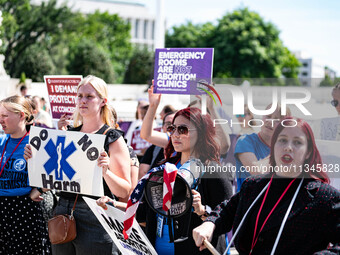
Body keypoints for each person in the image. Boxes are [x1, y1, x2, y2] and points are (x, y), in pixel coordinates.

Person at [193, 117, 340, 254]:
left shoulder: (324, 196)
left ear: (308, 152)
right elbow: (227, 209)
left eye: (297, 142)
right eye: (282, 140)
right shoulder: (254, 185)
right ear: (273, 147)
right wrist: (209, 224)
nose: (288, 147)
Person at [26, 75, 131, 255]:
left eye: (89, 96)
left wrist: (106, 172)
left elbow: (124, 191)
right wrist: (35, 163)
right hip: (63, 211)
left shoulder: (113, 138)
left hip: (97, 215)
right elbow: (60, 175)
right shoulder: (69, 133)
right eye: (80, 96)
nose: (83, 101)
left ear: (103, 101)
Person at [137, 107, 233, 254]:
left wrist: (202, 211)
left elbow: (228, 218)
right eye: (172, 128)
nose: (175, 135)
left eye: (183, 130)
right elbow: (144, 212)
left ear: (201, 133)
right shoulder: (165, 168)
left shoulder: (213, 171)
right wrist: (113, 205)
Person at [0, 95, 50, 254]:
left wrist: (39, 190)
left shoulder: (36, 142)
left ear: (21, 115)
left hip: (25, 211)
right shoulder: (2, 141)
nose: (1, 120)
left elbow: (56, 174)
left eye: (5, 116)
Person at [235, 104, 291, 191]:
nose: (270, 121)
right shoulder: (245, 141)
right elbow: (258, 174)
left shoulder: (286, 148)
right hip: (248, 202)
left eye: (276, 120)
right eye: (268, 116)